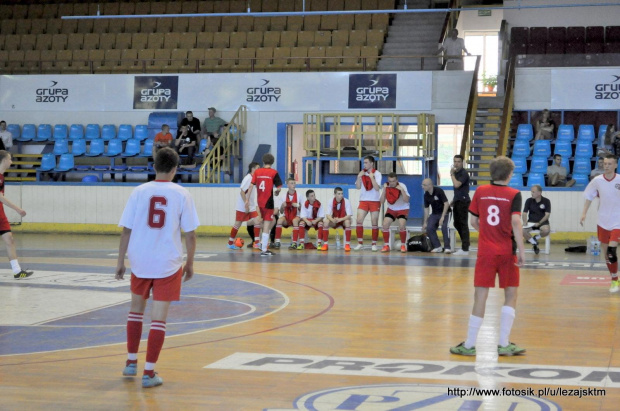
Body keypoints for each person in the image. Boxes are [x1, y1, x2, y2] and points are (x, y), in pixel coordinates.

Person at [115, 147, 199, 388]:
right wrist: (190, 263)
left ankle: (131, 363)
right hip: (167, 262)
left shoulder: (139, 191)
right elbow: (190, 235)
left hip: (140, 260)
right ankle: (149, 373)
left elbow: (126, 230)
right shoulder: (182, 193)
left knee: (135, 312)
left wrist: (120, 261)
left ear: (154, 166)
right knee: (158, 320)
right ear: (175, 169)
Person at [450, 156, 526, 357]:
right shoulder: (514, 194)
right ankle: (503, 343)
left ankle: (469, 345)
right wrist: (522, 249)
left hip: (486, 252)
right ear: (510, 175)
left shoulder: (480, 191)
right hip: (507, 252)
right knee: (511, 294)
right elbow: (516, 222)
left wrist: (488, 233)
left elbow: (473, 221)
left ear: (491, 173)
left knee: (480, 296)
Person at [580, 154, 620, 293]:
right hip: (603, 221)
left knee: (611, 252)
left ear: (615, 165)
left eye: (610, 164)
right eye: (605, 163)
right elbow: (589, 196)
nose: (606, 166)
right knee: (606, 255)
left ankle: (615, 281)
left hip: (618, 222)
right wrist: (584, 213)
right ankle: (614, 277)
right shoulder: (597, 180)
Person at [0, 151, 33, 279]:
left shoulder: (2, 176)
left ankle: (17, 271)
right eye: (9, 159)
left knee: (9, 239)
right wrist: (17, 209)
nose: (11, 162)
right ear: (3, 160)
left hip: (0, 213)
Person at [246, 153, 282, 256]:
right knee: (267, 225)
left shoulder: (257, 172)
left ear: (263, 161)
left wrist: (247, 200)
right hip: (268, 202)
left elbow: (251, 186)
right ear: (272, 162)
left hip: (260, 202)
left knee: (272, 221)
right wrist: (277, 191)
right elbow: (279, 187)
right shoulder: (273, 172)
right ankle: (264, 249)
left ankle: (262, 242)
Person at [228, 162, 261, 250]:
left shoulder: (254, 179)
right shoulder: (248, 178)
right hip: (243, 205)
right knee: (237, 224)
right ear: (253, 169)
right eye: (258, 167)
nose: (259, 169)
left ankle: (257, 243)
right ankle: (230, 242)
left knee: (257, 221)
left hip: (251, 205)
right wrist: (246, 204)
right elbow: (242, 191)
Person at [354, 156, 382, 251]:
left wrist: (371, 177)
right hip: (363, 200)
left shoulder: (377, 174)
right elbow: (358, 187)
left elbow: (377, 188)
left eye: (366, 162)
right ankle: (360, 243)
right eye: (364, 162)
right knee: (359, 220)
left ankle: (374, 244)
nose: (364, 164)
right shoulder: (362, 173)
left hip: (374, 200)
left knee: (374, 222)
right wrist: (359, 177)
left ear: (372, 163)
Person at [379, 173, 410, 253]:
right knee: (385, 224)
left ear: (397, 180)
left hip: (403, 208)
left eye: (393, 181)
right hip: (392, 208)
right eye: (390, 181)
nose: (391, 183)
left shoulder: (402, 185)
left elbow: (407, 200)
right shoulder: (386, 186)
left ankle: (403, 245)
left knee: (402, 224)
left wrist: (401, 190)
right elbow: (382, 201)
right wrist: (384, 190)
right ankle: (386, 245)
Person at [422, 178, 452, 253]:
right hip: (435, 213)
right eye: (422, 185)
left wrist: (442, 217)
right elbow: (426, 209)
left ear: (430, 185)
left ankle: (447, 247)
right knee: (429, 227)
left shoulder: (439, 191)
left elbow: (446, 204)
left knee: (444, 227)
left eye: (424, 185)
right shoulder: (426, 195)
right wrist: (425, 222)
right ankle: (437, 246)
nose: (422, 186)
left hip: (446, 213)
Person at [321, 187, 353, 251]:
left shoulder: (346, 201)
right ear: (334, 194)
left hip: (343, 219)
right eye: (339, 194)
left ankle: (347, 244)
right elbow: (327, 214)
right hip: (335, 220)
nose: (341, 195)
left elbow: (349, 215)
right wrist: (333, 220)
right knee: (326, 222)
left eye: (342, 194)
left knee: (347, 222)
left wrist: (341, 219)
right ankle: (325, 244)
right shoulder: (330, 201)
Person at [522, 184, 551, 255]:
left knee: (546, 230)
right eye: (531, 192)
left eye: (533, 192)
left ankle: (536, 238)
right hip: (531, 222)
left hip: (542, 222)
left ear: (539, 193)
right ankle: (534, 243)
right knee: (522, 231)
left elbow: (547, 215)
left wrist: (539, 222)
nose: (531, 193)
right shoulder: (529, 200)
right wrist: (525, 222)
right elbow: (524, 213)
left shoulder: (546, 201)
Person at [451, 155, 471, 255]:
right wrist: (453, 200)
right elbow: (457, 190)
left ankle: (465, 248)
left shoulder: (463, 173)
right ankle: (465, 243)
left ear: (462, 162)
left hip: (463, 201)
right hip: (457, 200)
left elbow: (457, 185)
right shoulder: (457, 173)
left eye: (458, 161)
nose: (456, 163)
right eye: (455, 161)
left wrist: (452, 175)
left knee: (463, 224)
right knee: (456, 223)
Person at [274, 178, 301, 250]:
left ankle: (294, 242)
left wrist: (297, 205)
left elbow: (303, 210)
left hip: (296, 216)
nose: (293, 185)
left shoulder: (299, 195)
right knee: (279, 220)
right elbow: (281, 212)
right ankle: (277, 241)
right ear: (287, 185)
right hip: (287, 216)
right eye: (291, 183)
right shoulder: (283, 196)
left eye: (294, 183)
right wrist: (282, 206)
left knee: (295, 221)